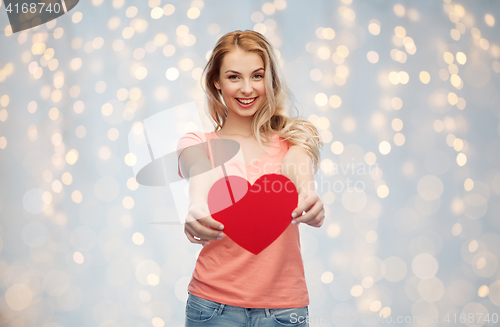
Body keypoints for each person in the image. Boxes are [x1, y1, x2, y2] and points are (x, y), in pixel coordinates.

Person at [177, 30, 325, 327]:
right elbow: (200, 167)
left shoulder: (294, 137)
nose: (247, 88)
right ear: (216, 82)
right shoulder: (198, 142)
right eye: (234, 77)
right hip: (212, 308)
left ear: (269, 79)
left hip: (285, 311)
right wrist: (196, 204)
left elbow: (297, 164)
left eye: (257, 76)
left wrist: (308, 193)